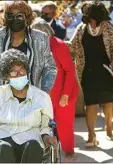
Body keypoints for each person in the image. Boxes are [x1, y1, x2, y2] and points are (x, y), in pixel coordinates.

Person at [0, 49, 57, 163]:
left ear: (26, 71)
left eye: (22, 70)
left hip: (30, 139)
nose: (18, 75)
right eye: (13, 72)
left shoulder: (41, 96)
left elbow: (45, 126)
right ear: (7, 76)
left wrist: (46, 137)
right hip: (1, 138)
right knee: (4, 148)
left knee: (33, 146)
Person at [68, 2, 113, 147]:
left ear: (95, 14)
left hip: (106, 70)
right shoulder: (82, 28)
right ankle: (91, 135)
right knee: (90, 103)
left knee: (107, 102)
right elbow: (72, 45)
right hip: (87, 71)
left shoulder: (110, 28)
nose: (85, 13)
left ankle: (108, 126)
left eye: (88, 12)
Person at [0, 1, 57, 100]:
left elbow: (50, 68)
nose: (15, 19)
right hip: (2, 98)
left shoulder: (40, 38)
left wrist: (45, 91)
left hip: (32, 98)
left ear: (27, 17)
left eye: (19, 16)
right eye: (11, 16)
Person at [31, 19, 79, 160]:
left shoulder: (58, 45)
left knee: (64, 123)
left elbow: (70, 71)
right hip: (46, 91)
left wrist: (65, 94)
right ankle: (48, 150)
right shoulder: (35, 45)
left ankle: (68, 150)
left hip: (64, 91)